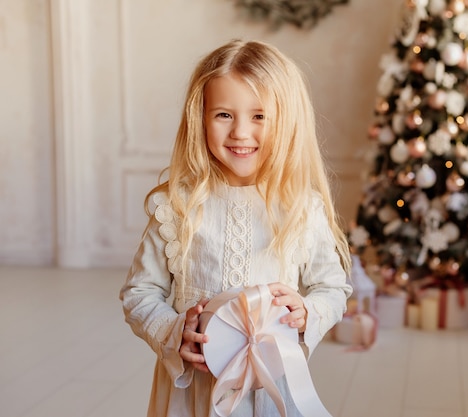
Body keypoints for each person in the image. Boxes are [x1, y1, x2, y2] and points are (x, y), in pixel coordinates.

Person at [119, 39, 353, 417]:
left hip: (271, 388)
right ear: (201, 118)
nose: (241, 133)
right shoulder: (177, 206)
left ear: (287, 122)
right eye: (224, 115)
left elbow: (332, 287)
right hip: (193, 390)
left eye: (260, 116)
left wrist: (308, 312)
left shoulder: (300, 207)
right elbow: (139, 292)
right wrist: (173, 332)